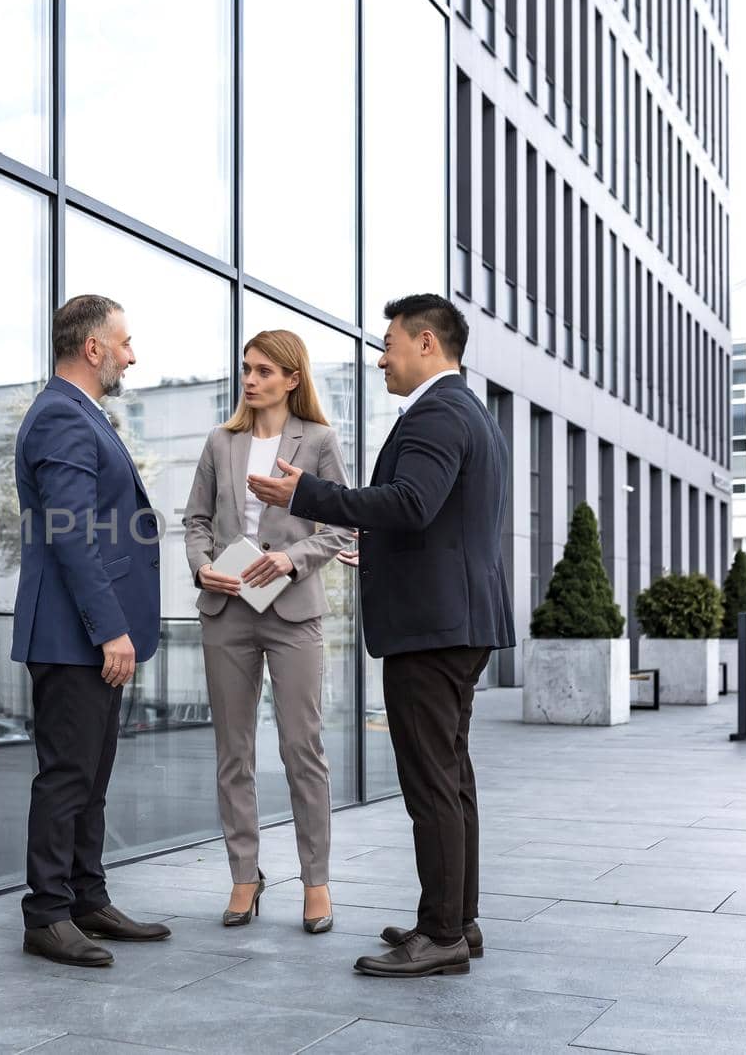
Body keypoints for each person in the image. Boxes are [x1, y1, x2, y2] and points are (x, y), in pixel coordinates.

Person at [248, 294, 515, 979]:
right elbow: (440, 520)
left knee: (431, 782)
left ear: (427, 343)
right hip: (456, 618)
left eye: (389, 343)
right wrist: (389, 552)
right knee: (451, 777)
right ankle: (458, 918)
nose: (380, 356)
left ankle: (442, 932)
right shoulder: (469, 412)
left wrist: (304, 493)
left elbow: (411, 502)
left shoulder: (436, 412)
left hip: (432, 628)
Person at [11, 294, 171, 967]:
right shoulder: (61, 417)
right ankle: (46, 913)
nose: (132, 354)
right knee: (67, 776)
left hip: (87, 636)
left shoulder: (80, 415)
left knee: (92, 775)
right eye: (125, 342)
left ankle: (86, 896)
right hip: (72, 637)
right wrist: (110, 629)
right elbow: (72, 533)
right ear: (93, 347)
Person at [183, 330, 352, 933]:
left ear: (291, 378)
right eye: (246, 370)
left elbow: (342, 526)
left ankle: (317, 882)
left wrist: (292, 558)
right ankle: (244, 876)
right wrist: (202, 565)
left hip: (292, 611)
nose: (250, 380)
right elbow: (195, 521)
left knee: (302, 747)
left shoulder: (321, 441)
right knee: (234, 751)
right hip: (226, 610)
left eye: (262, 371)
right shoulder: (219, 442)